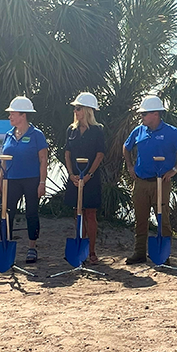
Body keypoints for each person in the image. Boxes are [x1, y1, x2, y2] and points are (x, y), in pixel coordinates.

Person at [122, 95, 177, 264]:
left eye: (144, 114)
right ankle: (139, 253)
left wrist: (174, 170)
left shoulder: (171, 132)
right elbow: (126, 147)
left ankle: (163, 255)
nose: (141, 117)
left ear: (155, 114)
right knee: (140, 219)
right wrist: (130, 166)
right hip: (140, 182)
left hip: (161, 182)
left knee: (163, 219)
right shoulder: (139, 130)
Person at [0, 96, 49, 264]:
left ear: (23, 115)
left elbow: (43, 160)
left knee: (31, 213)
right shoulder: (8, 135)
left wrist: (42, 183)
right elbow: (4, 160)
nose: (10, 117)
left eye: (13, 114)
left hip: (31, 180)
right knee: (7, 212)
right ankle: (6, 246)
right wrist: (0, 180)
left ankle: (32, 248)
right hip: (11, 180)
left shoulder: (37, 135)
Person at [64, 92, 106, 264]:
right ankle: (80, 247)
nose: (75, 111)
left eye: (78, 108)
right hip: (75, 177)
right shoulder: (71, 130)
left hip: (91, 178)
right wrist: (71, 174)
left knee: (90, 213)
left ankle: (92, 251)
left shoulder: (97, 130)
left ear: (87, 110)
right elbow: (67, 153)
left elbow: (100, 154)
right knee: (77, 212)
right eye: (75, 108)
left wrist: (88, 175)